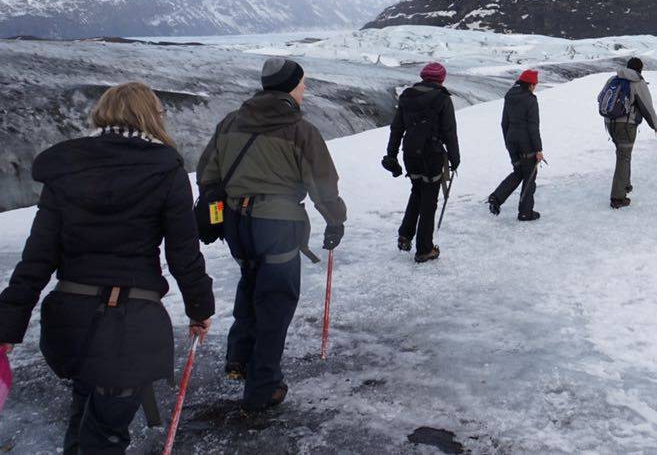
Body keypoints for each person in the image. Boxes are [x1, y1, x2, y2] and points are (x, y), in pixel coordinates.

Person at [0, 82, 214, 454]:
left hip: (71, 321)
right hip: (130, 325)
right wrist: (200, 309)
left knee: (84, 415)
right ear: (151, 117)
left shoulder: (67, 169)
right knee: (105, 433)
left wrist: (8, 323)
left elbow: (37, 257)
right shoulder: (166, 170)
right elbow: (184, 254)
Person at [196, 57, 346, 413]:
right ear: (290, 86)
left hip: (236, 223)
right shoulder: (300, 130)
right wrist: (335, 220)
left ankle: (238, 358)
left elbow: (207, 173)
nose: (305, 88)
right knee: (276, 301)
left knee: (250, 280)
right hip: (278, 225)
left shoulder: (231, 122)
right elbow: (322, 184)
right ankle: (263, 387)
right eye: (302, 82)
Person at [382, 62, 460, 263]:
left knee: (417, 190)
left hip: (410, 153)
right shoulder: (442, 98)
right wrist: (455, 157)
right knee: (429, 199)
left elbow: (397, 128)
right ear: (441, 79)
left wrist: (391, 154)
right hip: (432, 154)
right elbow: (449, 131)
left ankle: (405, 235)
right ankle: (424, 249)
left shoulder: (407, 96)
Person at [599, 57, 657, 209]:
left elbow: (600, 98)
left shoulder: (613, 79)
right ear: (640, 69)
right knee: (624, 157)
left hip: (610, 124)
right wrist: (655, 126)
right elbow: (647, 107)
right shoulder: (637, 82)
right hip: (626, 125)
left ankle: (625, 184)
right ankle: (617, 198)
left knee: (622, 154)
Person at [488, 70, 543, 221]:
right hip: (526, 144)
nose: (535, 87)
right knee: (530, 175)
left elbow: (504, 123)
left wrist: (508, 143)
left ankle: (496, 197)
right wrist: (538, 149)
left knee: (519, 171)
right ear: (530, 85)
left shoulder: (510, 96)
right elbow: (533, 127)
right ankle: (525, 212)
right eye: (535, 84)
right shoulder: (530, 100)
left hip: (511, 140)